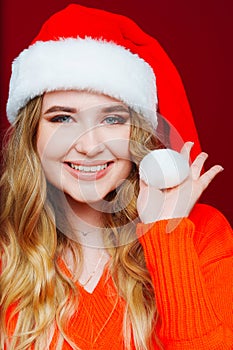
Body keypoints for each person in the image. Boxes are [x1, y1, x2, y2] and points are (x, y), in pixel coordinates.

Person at [0, 4, 232, 350]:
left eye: (112, 119)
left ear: (136, 133)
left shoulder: (204, 237)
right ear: (32, 134)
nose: (89, 146)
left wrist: (167, 236)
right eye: (62, 118)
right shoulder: (6, 249)